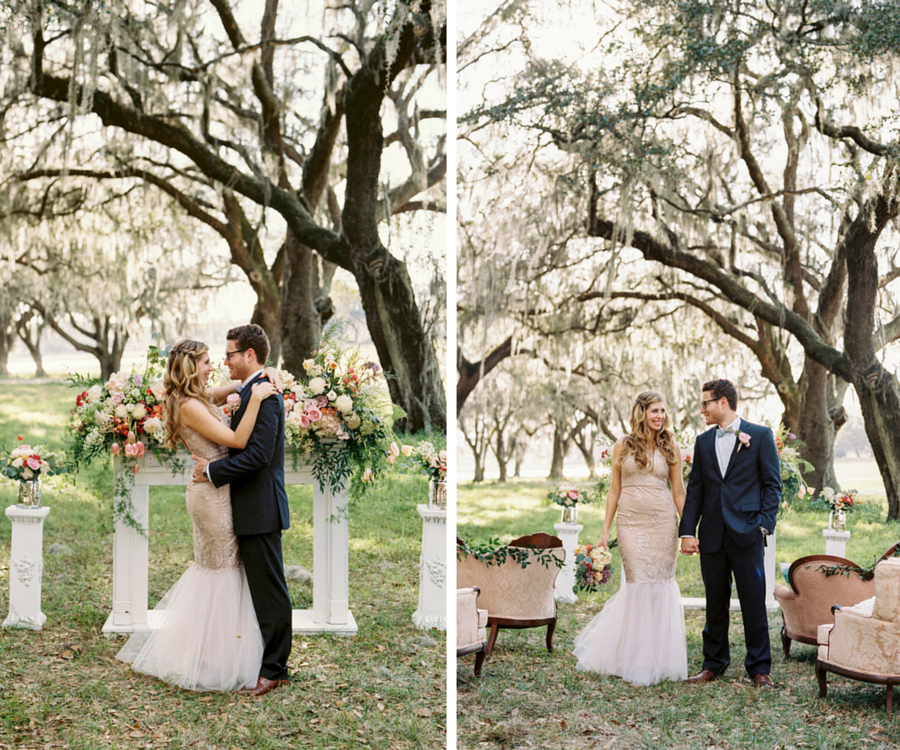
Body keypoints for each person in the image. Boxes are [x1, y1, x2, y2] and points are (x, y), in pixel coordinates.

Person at [116, 339, 279, 692]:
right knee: (219, 573)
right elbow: (236, 440)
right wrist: (260, 399)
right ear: (191, 366)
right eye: (206, 362)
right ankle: (211, 660)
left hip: (217, 490)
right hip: (210, 498)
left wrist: (258, 379)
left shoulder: (198, 397)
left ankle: (217, 652)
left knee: (223, 570)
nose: (212, 367)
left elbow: (232, 388)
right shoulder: (188, 405)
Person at [192, 324, 293, 697]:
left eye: (230, 353)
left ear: (249, 355)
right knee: (261, 590)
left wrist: (212, 471)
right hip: (248, 506)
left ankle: (275, 670)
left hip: (260, 506)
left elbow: (258, 456)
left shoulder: (265, 397)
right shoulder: (252, 388)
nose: (225, 360)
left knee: (271, 593)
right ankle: (264, 662)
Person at [573, 391, 688, 685]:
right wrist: (604, 531)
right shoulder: (622, 445)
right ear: (641, 413)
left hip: (663, 523)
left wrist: (688, 530)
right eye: (654, 411)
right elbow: (614, 490)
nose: (660, 416)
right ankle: (631, 657)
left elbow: (678, 491)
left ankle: (658, 658)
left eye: (663, 411)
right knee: (637, 583)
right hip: (629, 523)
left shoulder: (670, 444)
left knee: (660, 584)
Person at [679, 379, 781, 689]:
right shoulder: (703, 442)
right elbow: (696, 489)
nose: (702, 409)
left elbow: (772, 486)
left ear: (723, 402)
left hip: (747, 532)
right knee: (715, 601)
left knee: (753, 601)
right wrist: (687, 531)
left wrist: (763, 524)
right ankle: (713, 663)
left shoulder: (760, 436)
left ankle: (759, 668)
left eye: (706, 403)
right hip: (711, 534)